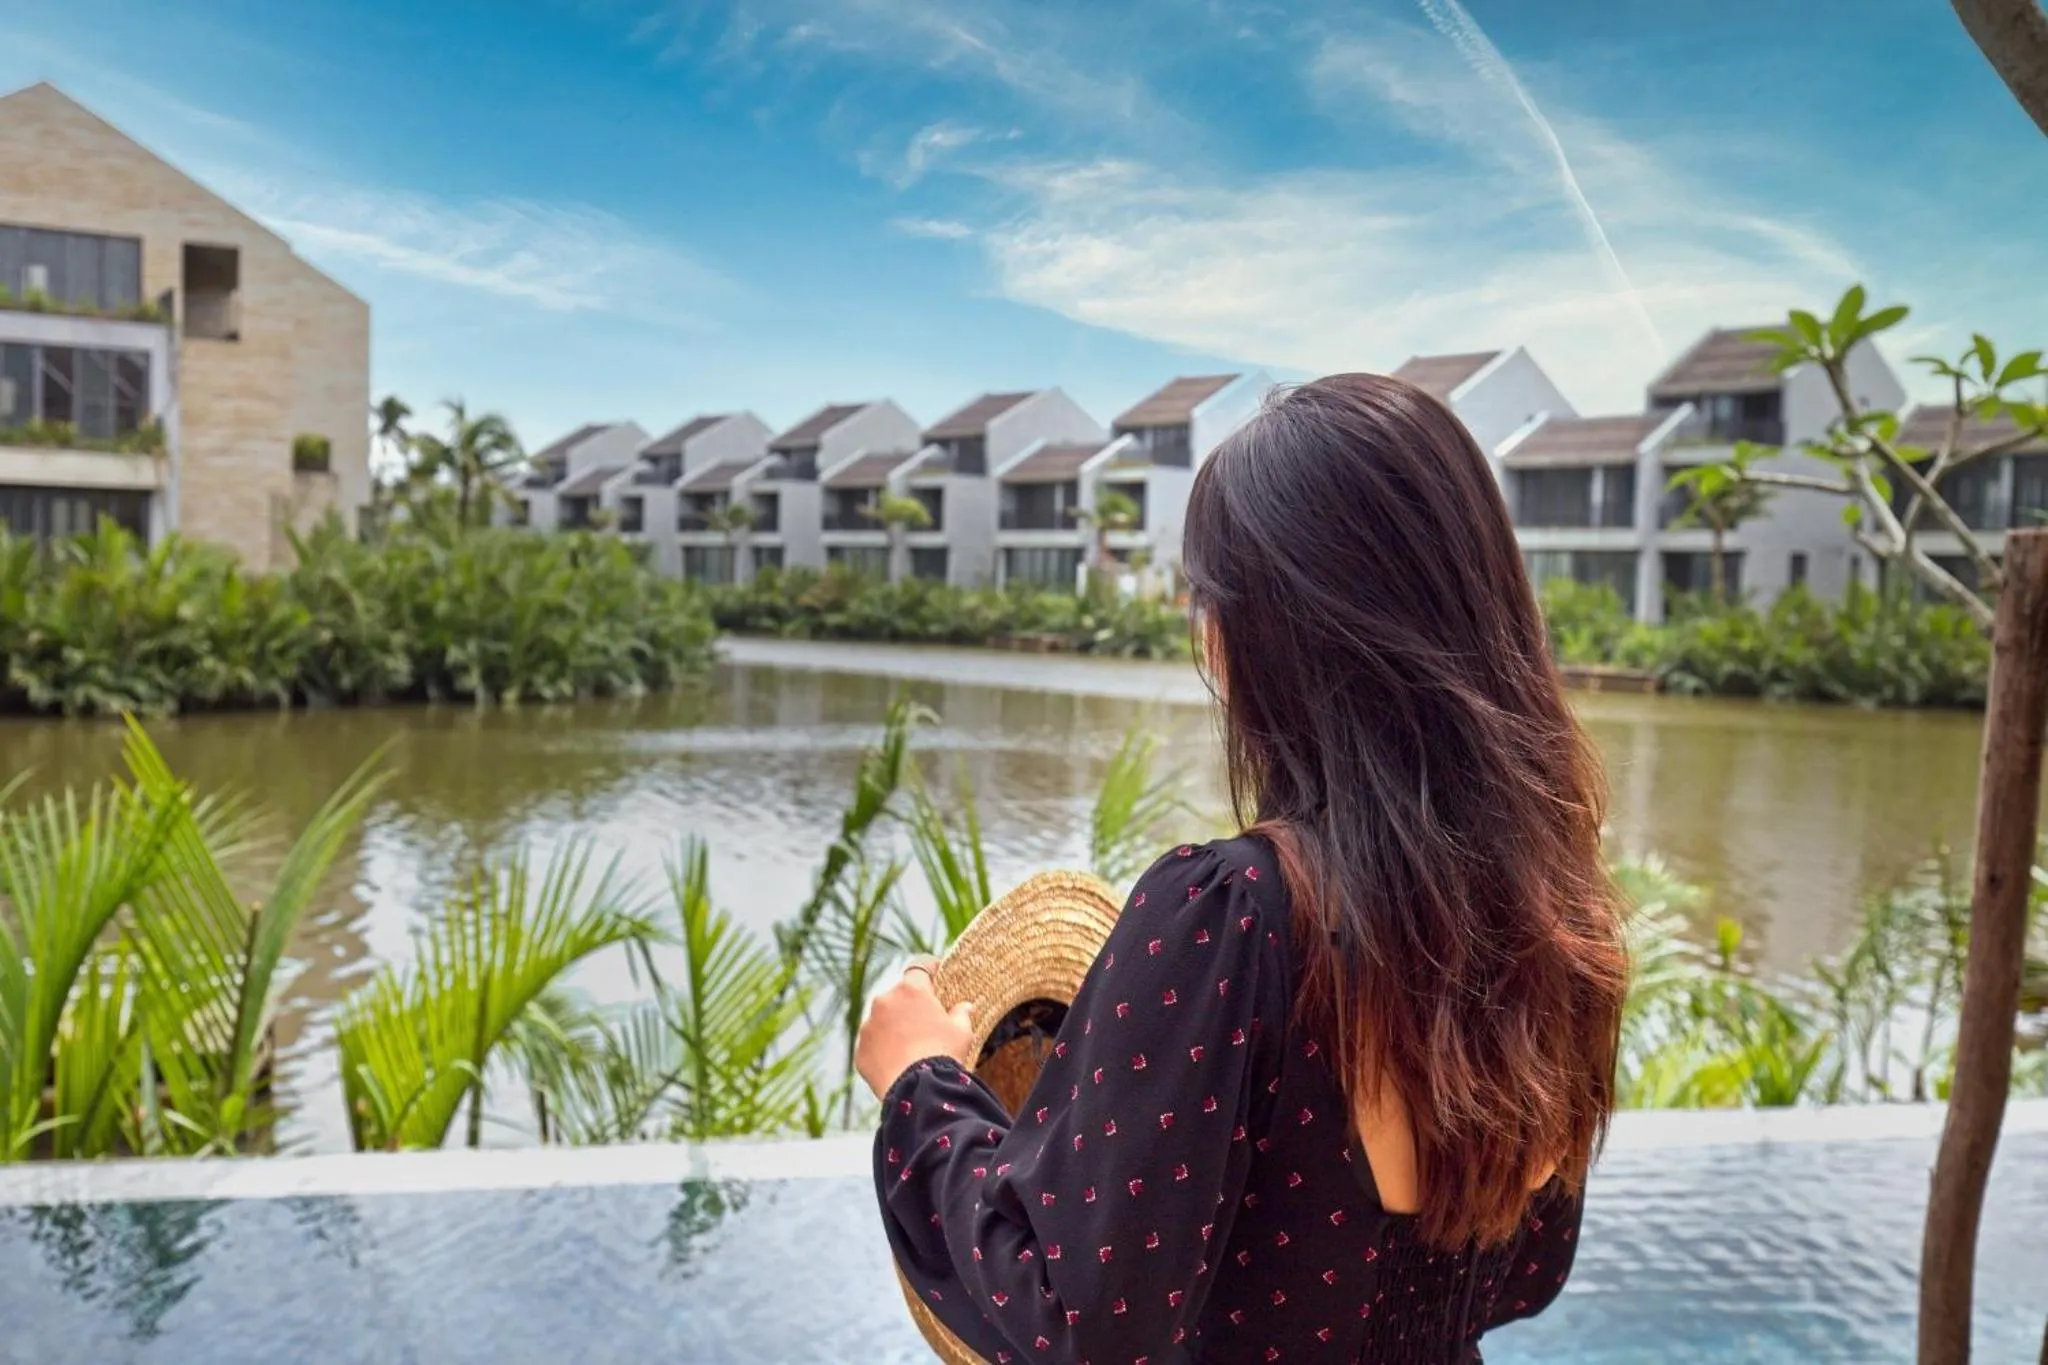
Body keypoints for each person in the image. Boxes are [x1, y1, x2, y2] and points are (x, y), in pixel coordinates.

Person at [857, 373, 1629, 1364]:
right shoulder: (1559, 926)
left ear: (1253, 632)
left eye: (1207, 597)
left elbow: (1079, 1323)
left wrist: (919, 1085)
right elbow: (1528, 1275)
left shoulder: (1238, 918)